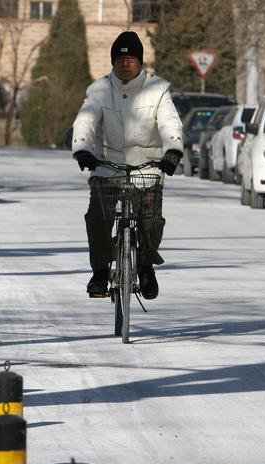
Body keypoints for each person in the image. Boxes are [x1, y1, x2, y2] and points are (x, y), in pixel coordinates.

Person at [71, 31, 183, 300]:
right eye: (120, 59)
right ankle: (99, 272)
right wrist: (83, 149)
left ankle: (145, 267)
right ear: (112, 62)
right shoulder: (98, 91)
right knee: (97, 218)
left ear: (140, 62)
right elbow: (85, 121)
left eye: (131, 59)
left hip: (147, 168)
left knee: (151, 220)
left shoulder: (158, 90)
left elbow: (170, 122)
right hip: (108, 168)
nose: (125, 64)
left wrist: (173, 150)